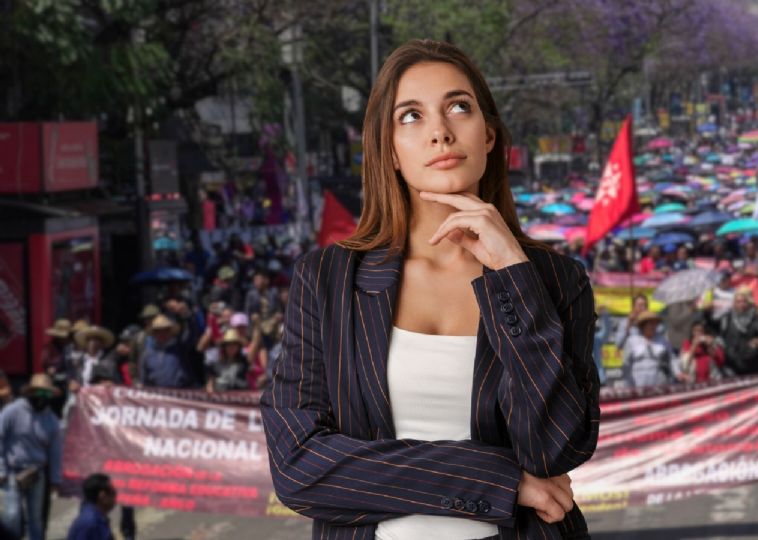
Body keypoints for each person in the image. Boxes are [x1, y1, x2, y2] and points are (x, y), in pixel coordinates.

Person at [260, 40, 600, 539]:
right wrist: (498, 482)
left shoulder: (553, 279)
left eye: (459, 107)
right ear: (390, 151)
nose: (440, 132)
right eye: (411, 116)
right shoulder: (329, 280)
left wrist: (511, 272)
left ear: (488, 135)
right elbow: (299, 466)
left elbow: (557, 447)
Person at [0, 374, 63, 540]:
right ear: (31, 392)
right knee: (12, 515)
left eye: (47, 394)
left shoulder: (53, 420)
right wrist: (1, 469)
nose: (43, 398)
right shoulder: (12, 411)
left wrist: (55, 480)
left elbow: (55, 452)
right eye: (40, 393)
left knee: (35, 518)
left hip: (37, 473)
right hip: (12, 471)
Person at [622, 311, 678, 388]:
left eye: (655, 324)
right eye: (650, 324)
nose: (653, 326)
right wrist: (628, 382)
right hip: (638, 381)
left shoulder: (663, 340)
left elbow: (672, 358)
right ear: (643, 325)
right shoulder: (632, 341)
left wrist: (678, 373)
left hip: (658, 380)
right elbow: (626, 364)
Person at [717, 288, 758, 376]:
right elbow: (720, 338)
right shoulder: (726, 319)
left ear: (748, 302)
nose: (741, 304)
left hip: (753, 365)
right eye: (738, 302)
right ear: (734, 303)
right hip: (731, 366)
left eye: (744, 301)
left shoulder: (757, 319)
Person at [141, 315, 197, 389]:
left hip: (180, 392)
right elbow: (144, 379)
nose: (162, 334)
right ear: (154, 333)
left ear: (170, 331)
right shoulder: (147, 354)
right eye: (158, 331)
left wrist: (187, 315)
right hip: (157, 395)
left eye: (165, 330)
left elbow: (191, 335)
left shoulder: (180, 348)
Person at [67, 473, 117, 540]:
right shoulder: (90, 522)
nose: (115, 497)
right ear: (102, 496)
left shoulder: (97, 517)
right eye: (113, 492)